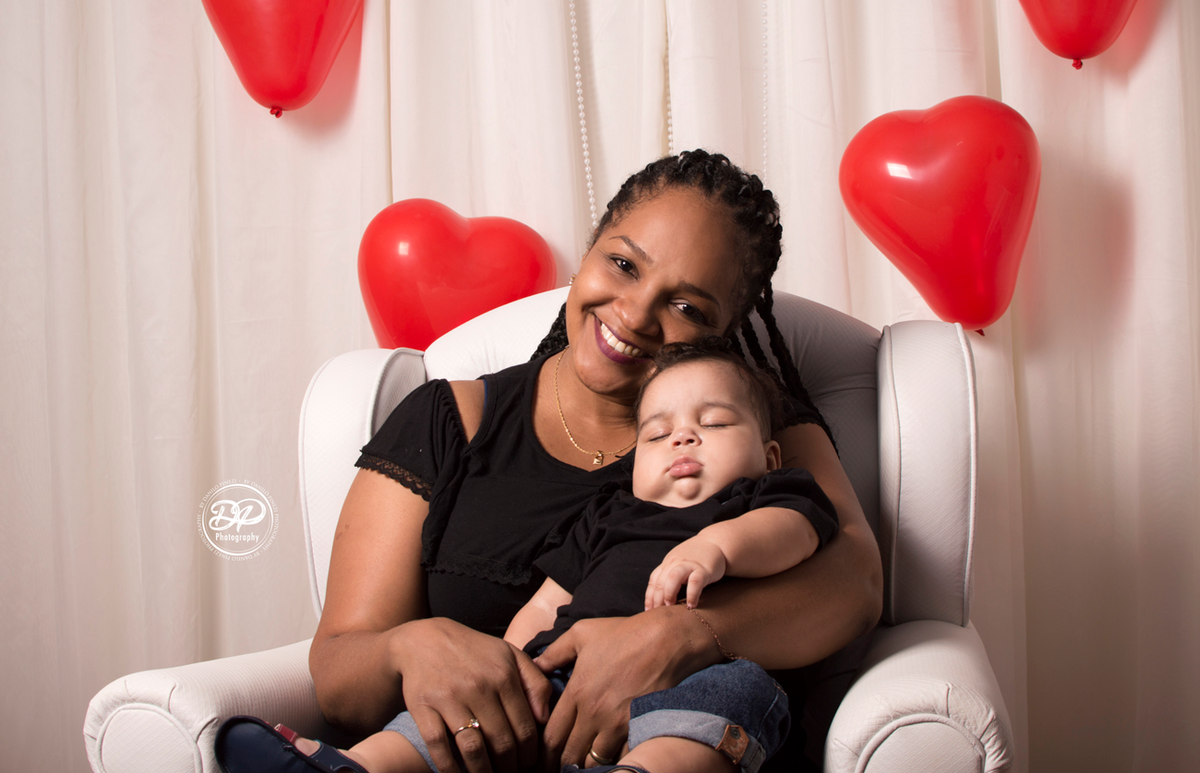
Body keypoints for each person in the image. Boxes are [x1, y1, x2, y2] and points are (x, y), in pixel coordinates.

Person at [221, 150, 883, 773]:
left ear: (725, 329)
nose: (634, 313)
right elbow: (339, 677)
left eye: (685, 306)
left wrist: (682, 639)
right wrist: (412, 647)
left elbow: (853, 586)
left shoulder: (747, 428)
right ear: (589, 251)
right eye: (623, 264)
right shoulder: (449, 421)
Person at [214, 340, 842, 773]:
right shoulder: (611, 513)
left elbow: (797, 532)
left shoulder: (766, 495)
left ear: (769, 454)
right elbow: (551, 596)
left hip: (701, 673)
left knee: (730, 700)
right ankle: (357, 765)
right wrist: (511, 660)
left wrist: (715, 547)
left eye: (715, 423)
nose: (683, 436)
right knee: (451, 720)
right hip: (565, 681)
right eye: (657, 433)